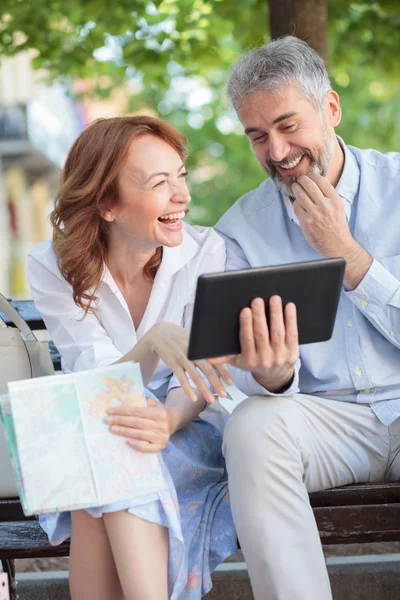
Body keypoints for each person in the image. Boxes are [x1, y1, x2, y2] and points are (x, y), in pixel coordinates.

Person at [215, 36, 400, 600]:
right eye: (257, 136)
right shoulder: (240, 230)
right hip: (325, 422)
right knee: (251, 426)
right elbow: (248, 381)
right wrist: (270, 375)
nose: (276, 150)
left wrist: (346, 253)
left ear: (332, 108)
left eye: (287, 125)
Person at [28, 115, 239, 600]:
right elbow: (96, 377)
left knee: (104, 457)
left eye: (180, 176)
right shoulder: (52, 265)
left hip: (190, 427)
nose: (181, 195)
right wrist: (150, 343)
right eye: (160, 183)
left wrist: (168, 417)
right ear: (106, 203)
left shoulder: (208, 252)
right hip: (112, 426)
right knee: (113, 438)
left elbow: (210, 373)